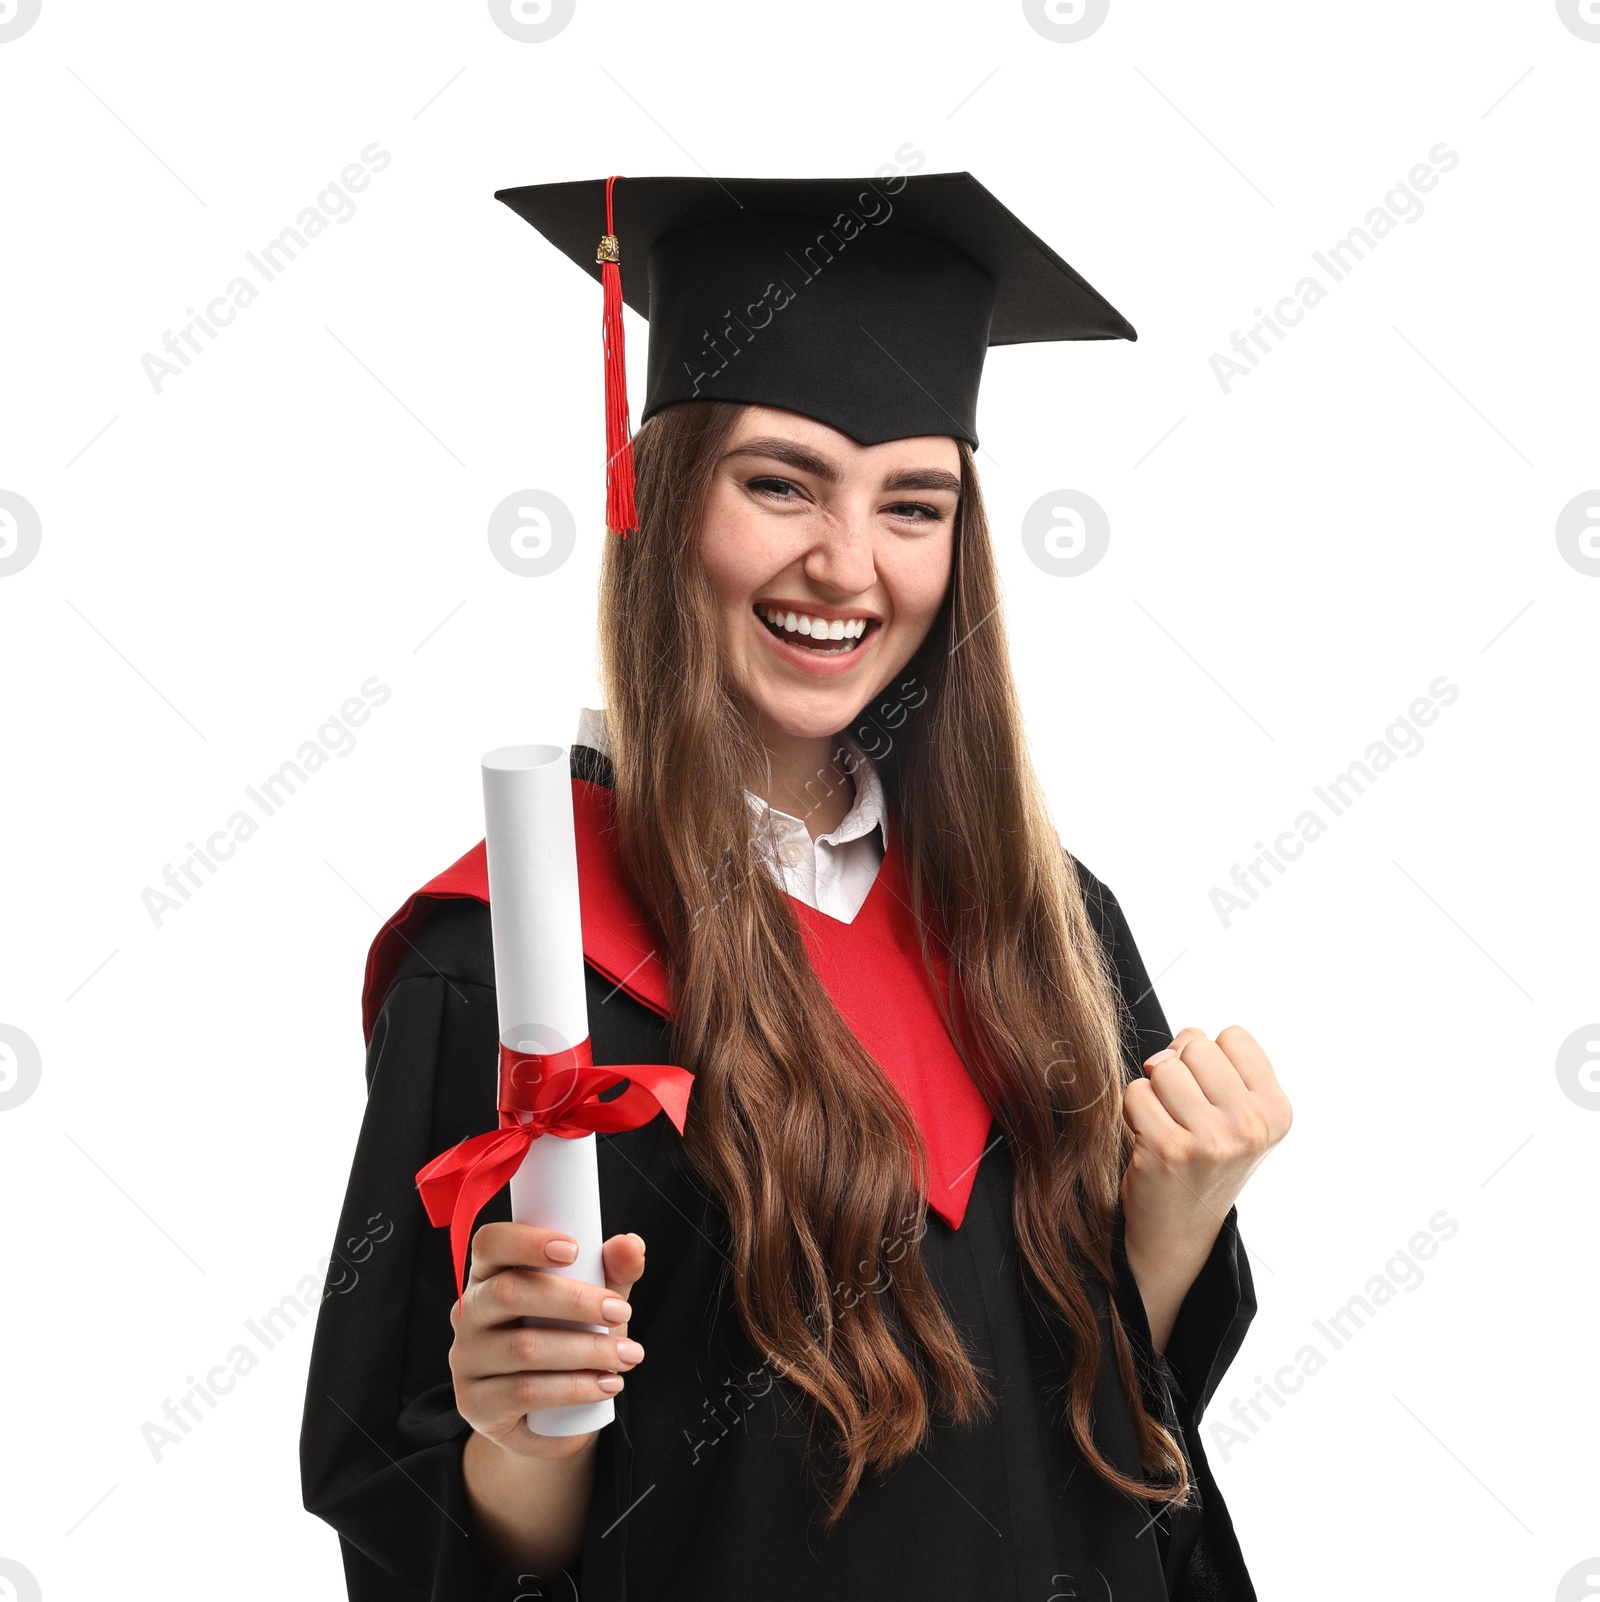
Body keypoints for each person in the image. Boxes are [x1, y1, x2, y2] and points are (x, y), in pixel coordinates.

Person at [301, 172, 1291, 1601]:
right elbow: (428, 1526)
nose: (847, 563)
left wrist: (1179, 1215)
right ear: (658, 494)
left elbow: (1102, 1432)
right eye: (779, 482)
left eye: (914, 502)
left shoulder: (1056, 930)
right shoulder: (513, 959)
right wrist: (521, 1438)